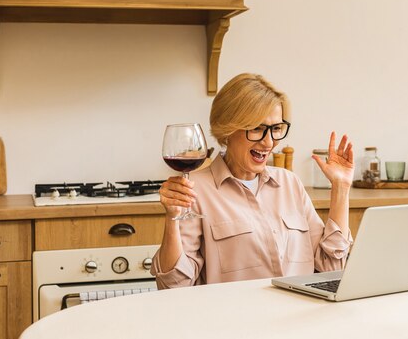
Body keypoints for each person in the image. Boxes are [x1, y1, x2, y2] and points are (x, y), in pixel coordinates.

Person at [151, 73, 354, 287]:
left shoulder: (290, 183)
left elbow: (331, 268)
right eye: (257, 128)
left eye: (276, 129)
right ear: (228, 129)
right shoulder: (195, 189)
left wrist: (341, 187)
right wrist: (172, 220)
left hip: (298, 314)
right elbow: (174, 286)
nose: (268, 142)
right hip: (237, 318)